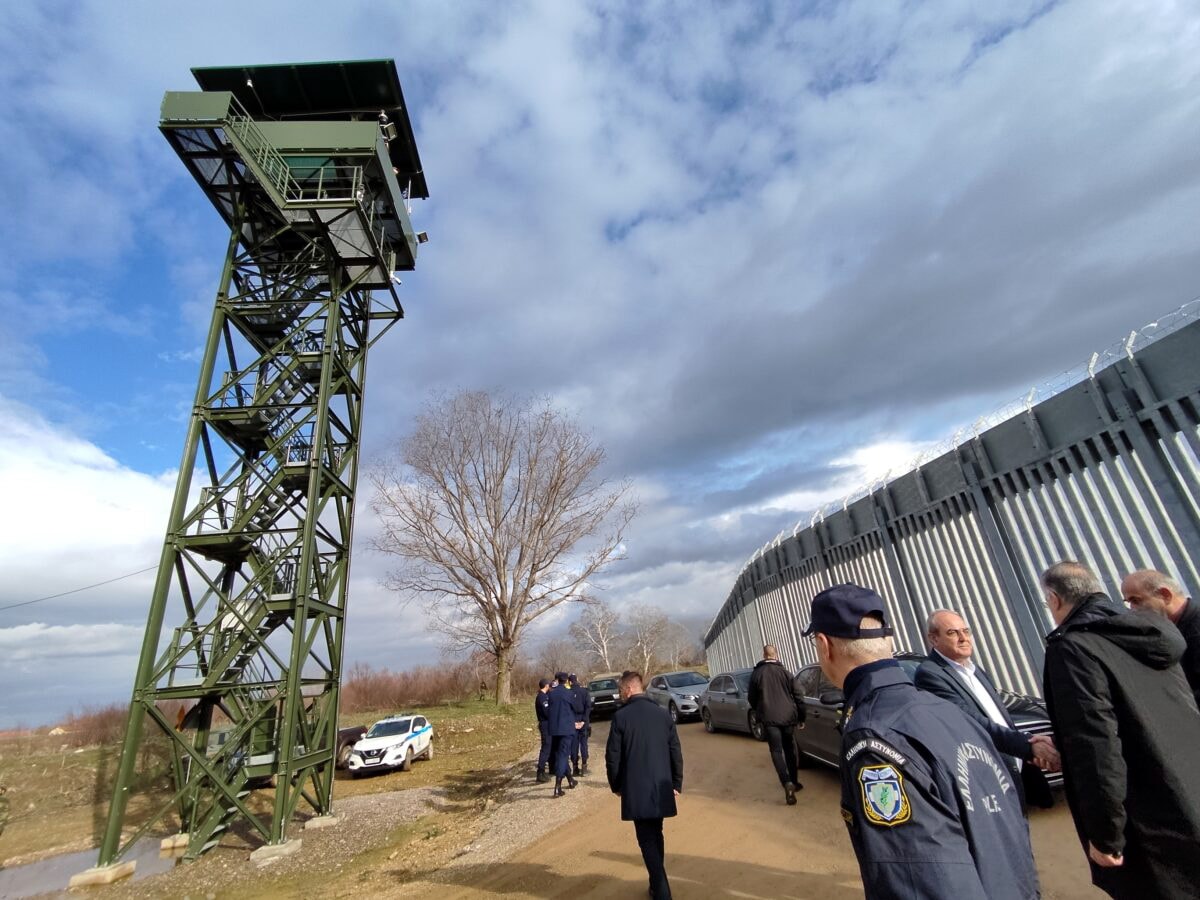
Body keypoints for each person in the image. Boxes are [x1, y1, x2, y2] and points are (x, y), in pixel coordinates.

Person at [805, 583, 1039, 900]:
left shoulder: (873, 736)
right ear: (888, 638)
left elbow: (918, 878)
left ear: (823, 645)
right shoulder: (947, 711)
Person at [1041, 560, 1200, 899]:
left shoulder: (1073, 648)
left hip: (1150, 827)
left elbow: (1096, 745)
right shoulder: (1152, 633)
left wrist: (1105, 834)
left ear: (1054, 599)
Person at [914, 609, 1059, 809]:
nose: (963, 638)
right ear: (933, 639)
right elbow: (972, 722)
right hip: (986, 781)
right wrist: (1028, 746)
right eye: (953, 633)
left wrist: (1029, 751)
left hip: (1014, 773)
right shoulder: (930, 675)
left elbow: (1000, 719)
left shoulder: (975, 670)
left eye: (966, 631)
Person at [605, 670, 683, 900]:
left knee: (647, 838)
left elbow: (612, 757)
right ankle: (656, 883)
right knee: (656, 833)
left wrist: (616, 785)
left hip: (636, 788)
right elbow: (675, 752)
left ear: (629, 689)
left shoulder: (621, 717)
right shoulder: (662, 715)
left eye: (621, 690)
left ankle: (661, 890)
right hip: (661, 785)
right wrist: (676, 782)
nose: (620, 694)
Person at [1120, 568, 1200, 704]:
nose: (1132, 609)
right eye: (1128, 602)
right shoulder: (1170, 629)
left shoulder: (1196, 627)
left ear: (1165, 595)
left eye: (1136, 600)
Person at [747, 643, 805, 804]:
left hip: (769, 719)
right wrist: (801, 717)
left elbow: (751, 697)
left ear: (764, 655)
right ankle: (794, 782)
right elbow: (799, 695)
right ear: (776, 654)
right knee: (790, 749)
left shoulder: (757, 674)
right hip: (788, 717)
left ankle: (786, 782)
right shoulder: (785, 672)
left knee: (776, 751)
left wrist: (760, 709)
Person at [546, 670, 583, 797]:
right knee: (562, 756)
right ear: (567, 681)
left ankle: (571, 781)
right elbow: (577, 708)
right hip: (566, 729)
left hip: (554, 730)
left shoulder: (551, 694)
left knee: (559, 755)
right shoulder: (569, 694)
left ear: (556, 680)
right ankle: (557, 786)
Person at [569, 672, 593, 776]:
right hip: (584, 721)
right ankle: (584, 767)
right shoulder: (584, 692)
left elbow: (567, 710)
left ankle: (575, 768)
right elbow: (588, 707)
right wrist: (583, 721)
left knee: (573, 745)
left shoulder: (568, 693)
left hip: (572, 722)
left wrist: (574, 722)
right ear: (577, 679)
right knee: (584, 744)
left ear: (569, 682)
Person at [534, 678, 552, 783]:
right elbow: (547, 712)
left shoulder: (543, 696)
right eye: (548, 685)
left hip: (546, 724)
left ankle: (543, 771)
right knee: (545, 748)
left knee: (547, 748)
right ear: (546, 686)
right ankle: (540, 772)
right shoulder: (542, 697)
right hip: (545, 724)